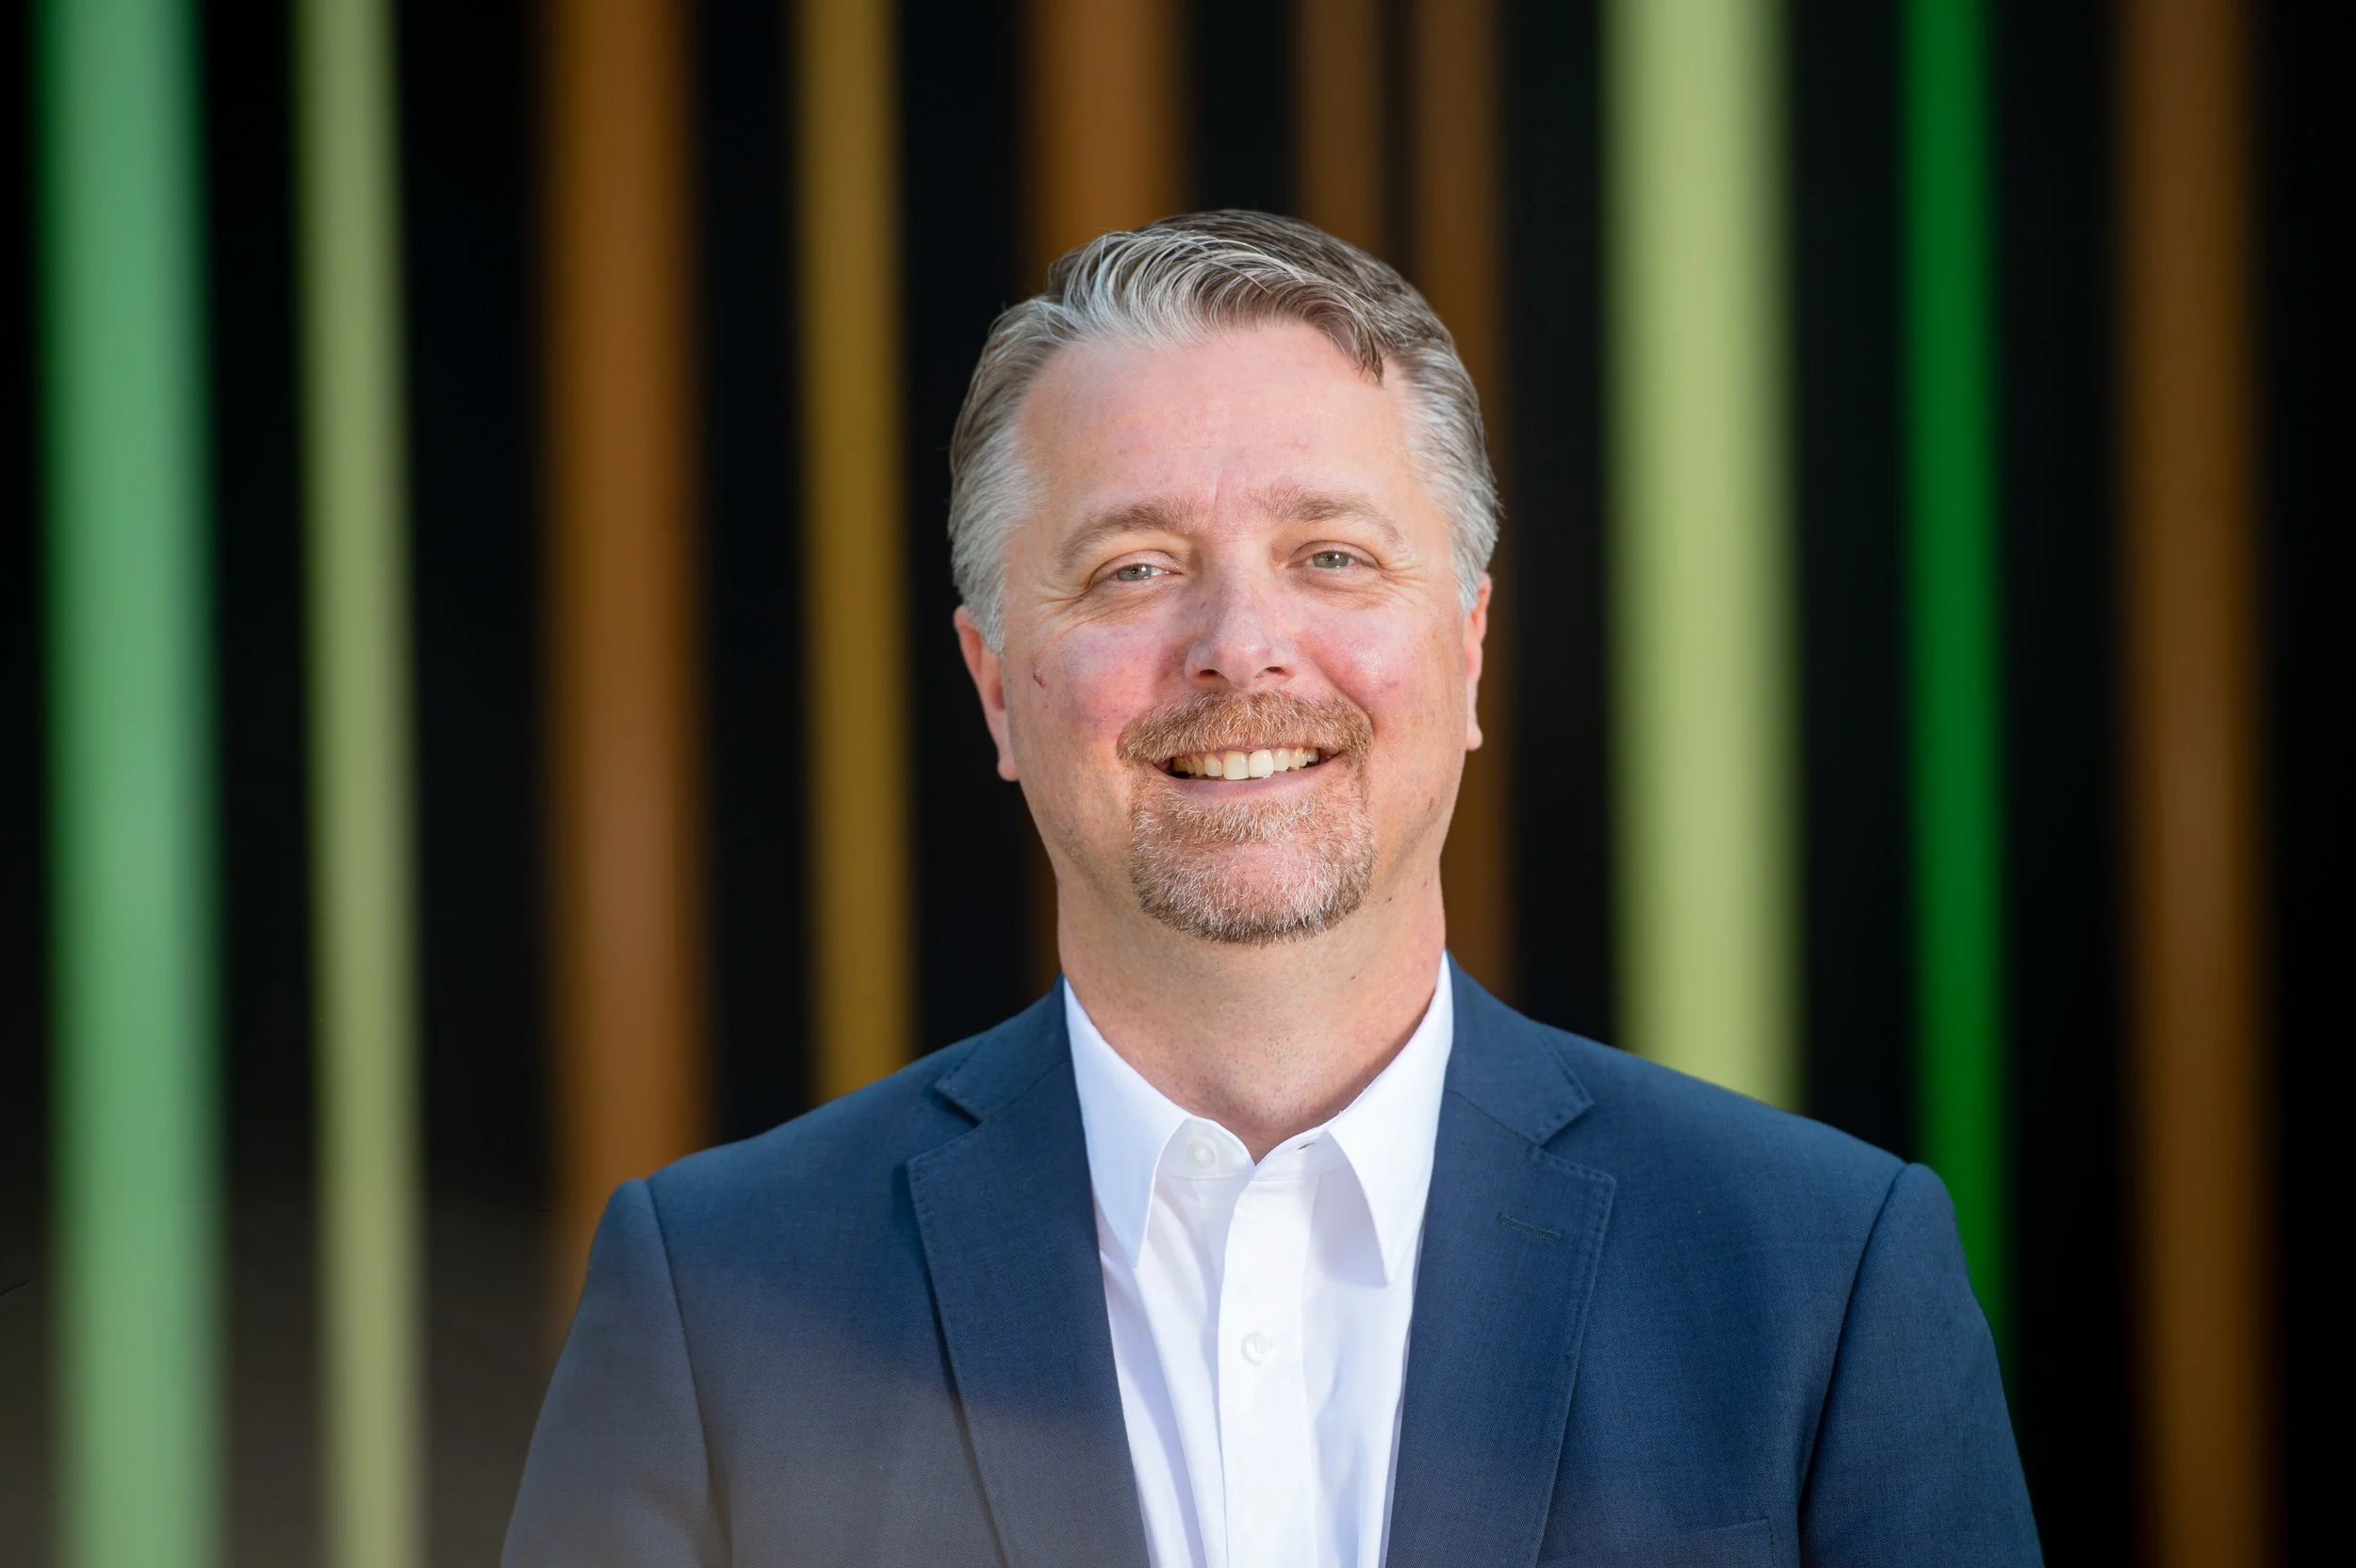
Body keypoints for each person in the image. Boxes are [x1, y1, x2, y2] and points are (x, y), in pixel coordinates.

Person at [504, 211, 2040, 1567]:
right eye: (1130, 569)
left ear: (1472, 646)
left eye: (1331, 556)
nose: (1242, 646)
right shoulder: (718, 1309)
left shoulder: (1824, 1281)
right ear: (991, 689)